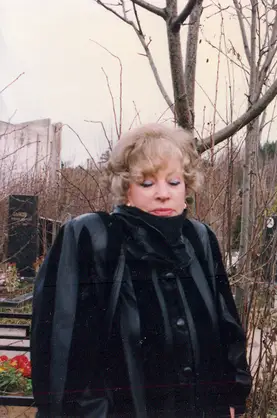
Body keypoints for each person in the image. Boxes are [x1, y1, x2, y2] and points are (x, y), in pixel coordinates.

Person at [31, 123, 252, 417]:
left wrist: (231, 397)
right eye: (147, 183)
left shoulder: (199, 239)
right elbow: (64, 350)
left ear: (186, 187)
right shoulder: (93, 238)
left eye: (174, 182)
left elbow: (226, 326)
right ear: (127, 190)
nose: (163, 193)